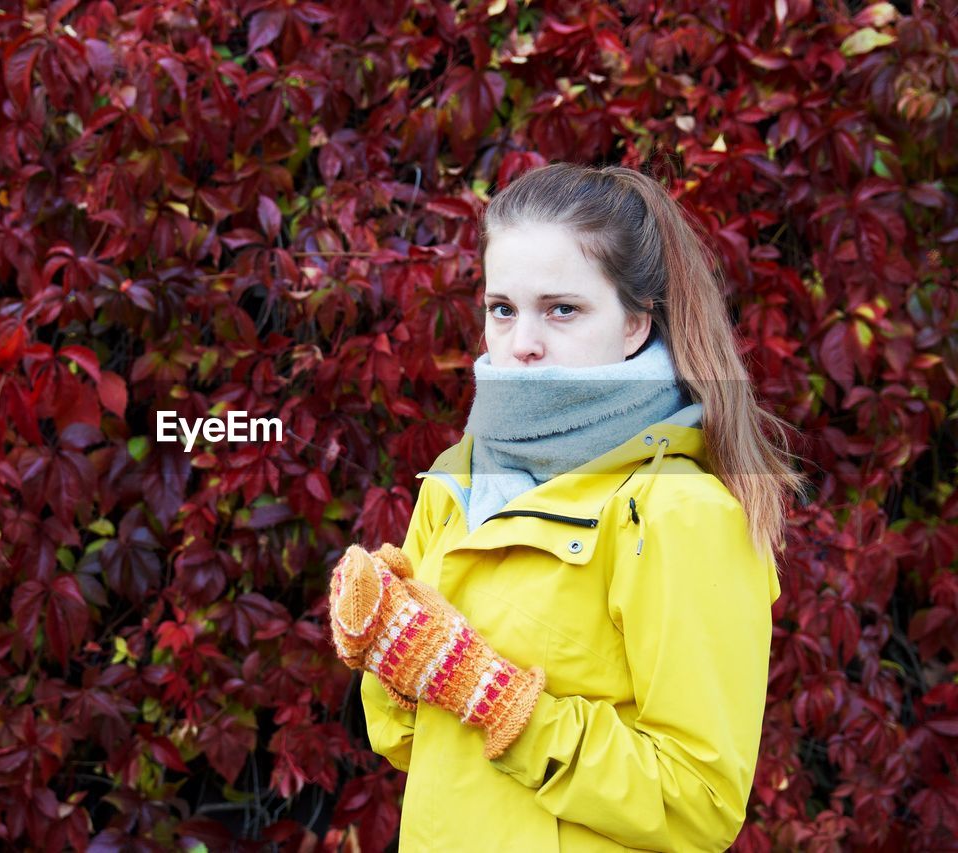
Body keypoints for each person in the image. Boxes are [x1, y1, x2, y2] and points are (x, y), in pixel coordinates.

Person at [327, 162, 806, 851]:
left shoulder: (674, 511)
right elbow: (409, 745)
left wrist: (502, 705)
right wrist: (387, 659)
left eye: (562, 309)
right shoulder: (459, 482)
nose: (522, 342)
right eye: (503, 308)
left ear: (636, 323)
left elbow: (701, 801)